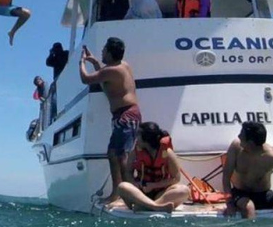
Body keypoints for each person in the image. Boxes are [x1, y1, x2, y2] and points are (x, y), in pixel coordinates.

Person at [79, 37, 141, 205]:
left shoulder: (112, 70)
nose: (102, 52)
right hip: (125, 115)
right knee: (116, 154)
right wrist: (94, 62)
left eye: (104, 50)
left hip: (126, 115)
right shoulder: (122, 66)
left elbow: (86, 79)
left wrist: (81, 62)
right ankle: (121, 192)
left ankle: (124, 194)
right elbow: (105, 78)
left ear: (110, 53)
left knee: (118, 155)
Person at [222, 121, 273, 218]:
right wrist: (229, 203)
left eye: (242, 134)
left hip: (264, 194)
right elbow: (226, 177)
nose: (239, 136)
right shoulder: (236, 147)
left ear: (250, 143)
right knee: (249, 208)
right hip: (240, 193)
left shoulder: (272, 157)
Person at [114, 122, 190, 213]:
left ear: (146, 139)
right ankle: (156, 207)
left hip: (161, 194)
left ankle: (146, 207)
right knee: (122, 186)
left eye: (138, 135)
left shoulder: (167, 153)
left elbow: (176, 178)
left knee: (184, 190)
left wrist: (153, 186)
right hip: (140, 193)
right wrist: (134, 183)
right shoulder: (135, 152)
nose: (136, 138)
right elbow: (128, 172)